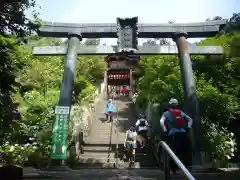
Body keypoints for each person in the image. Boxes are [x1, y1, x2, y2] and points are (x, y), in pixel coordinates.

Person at [160, 98, 193, 176]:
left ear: (170, 104)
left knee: (172, 152)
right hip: (183, 133)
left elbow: (161, 121)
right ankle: (188, 168)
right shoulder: (181, 112)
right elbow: (190, 120)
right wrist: (188, 128)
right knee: (186, 151)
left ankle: (173, 170)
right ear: (177, 104)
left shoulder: (166, 113)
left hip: (173, 134)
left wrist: (165, 130)